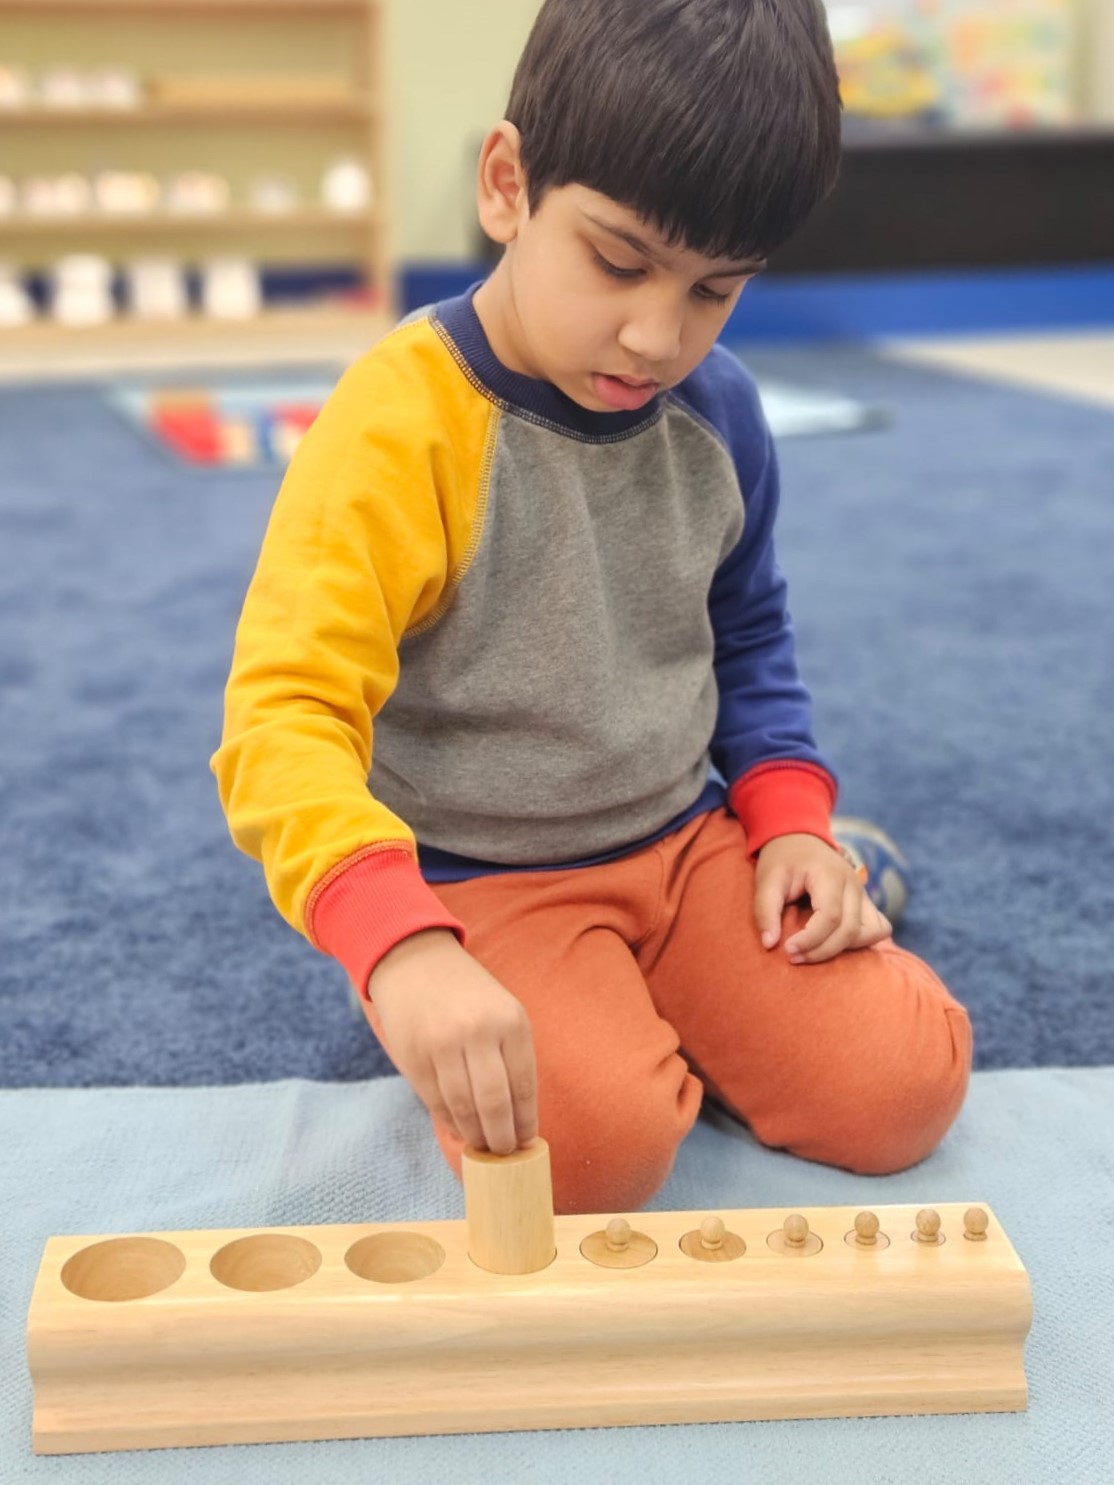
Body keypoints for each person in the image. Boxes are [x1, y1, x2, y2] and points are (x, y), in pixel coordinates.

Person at [212, 0, 972, 1215]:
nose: (653, 334)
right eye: (617, 261)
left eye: (715, 289)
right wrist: (401, 948)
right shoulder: (398, 428)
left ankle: (832, 864)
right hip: (479, 879)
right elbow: (283, 718)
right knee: (588, 1155)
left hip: (685, 840)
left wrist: (784, 820)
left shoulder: (716, 413)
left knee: (904, 1088)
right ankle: (537, 1000)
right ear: (507, 184)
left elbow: (748, 638)